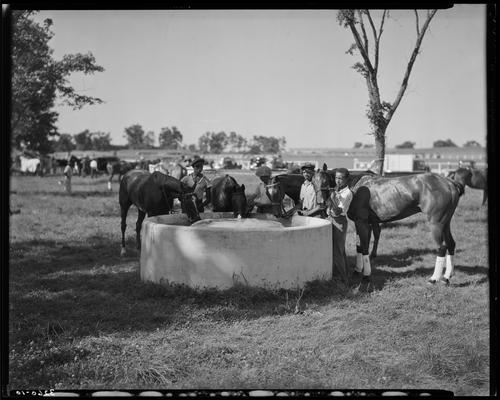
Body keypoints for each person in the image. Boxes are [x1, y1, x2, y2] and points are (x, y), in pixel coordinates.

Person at [325, 168, 353, 286]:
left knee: (337, 252)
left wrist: (332, 198)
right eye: (336, 178)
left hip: (339, 221)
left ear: (346, 179)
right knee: (338, 250)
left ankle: (344, 280)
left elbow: (337, 211)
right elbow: (328, 206)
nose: (338, 181)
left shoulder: (347, 193)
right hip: (330, 219)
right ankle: (344, 274)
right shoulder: (337, 190)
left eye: (341, 178)